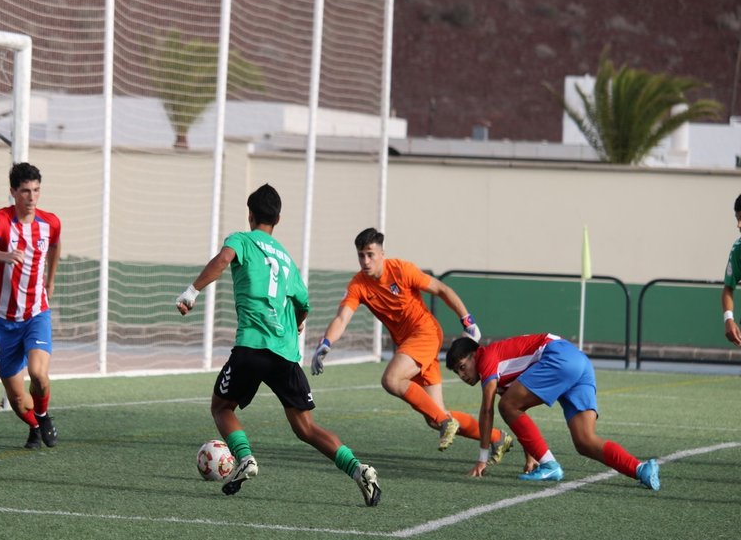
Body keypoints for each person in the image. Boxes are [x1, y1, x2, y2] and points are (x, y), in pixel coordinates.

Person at [176, 183, 382, 506]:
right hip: (285, 353)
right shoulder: (286, 259)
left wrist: (192, 292)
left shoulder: (241, 240)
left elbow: (221, 260)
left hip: (252, 347)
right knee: (306, 428)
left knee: (220, 406)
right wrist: (298, 322)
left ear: (250, 215)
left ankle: (245, 457)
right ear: (279, 219)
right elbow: (304, 302)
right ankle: (360, 471)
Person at [311, 227, 512, 462]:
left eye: (370, 254)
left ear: (382, 253)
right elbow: (342, 318)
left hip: (425, 333)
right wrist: (326, 343)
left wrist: (467, 320)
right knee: (434, 415)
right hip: (409, 344)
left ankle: (445, 422)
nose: (365, 261)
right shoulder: (358, 285)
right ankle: (498, 437)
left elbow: (441, 289)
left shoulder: (402, 270)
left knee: (391, 379)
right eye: (360, 255)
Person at [445, 333, 661, 490]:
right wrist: (531, 457)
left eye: (463, 366)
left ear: (475, 354)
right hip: (579, 362)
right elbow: (519, 413)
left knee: (505, 406)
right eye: (457, 372)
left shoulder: (487, 357)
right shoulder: (503, 372)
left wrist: (482, 458)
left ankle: (549, 465)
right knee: (585, 441)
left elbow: (487, 410)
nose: (462, 375)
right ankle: (641, 469)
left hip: (558, 357)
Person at [0, 163, 61, 450]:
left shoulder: (49, 222)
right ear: (13, 192)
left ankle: (42, 416)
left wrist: (50, 280)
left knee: (39, 375)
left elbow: (55, 245)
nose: (31, 196)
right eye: (25, 191)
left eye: (36, 190)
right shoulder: (1, 220)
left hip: (36, 313)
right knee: (16, 398)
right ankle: (36, 426)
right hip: (4, 321)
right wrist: (5, 255)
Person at [721, 193, 741, 346]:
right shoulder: (738, 250)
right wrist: (728, 318)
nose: (738, 225)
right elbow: (728, 288)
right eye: (737, 219)